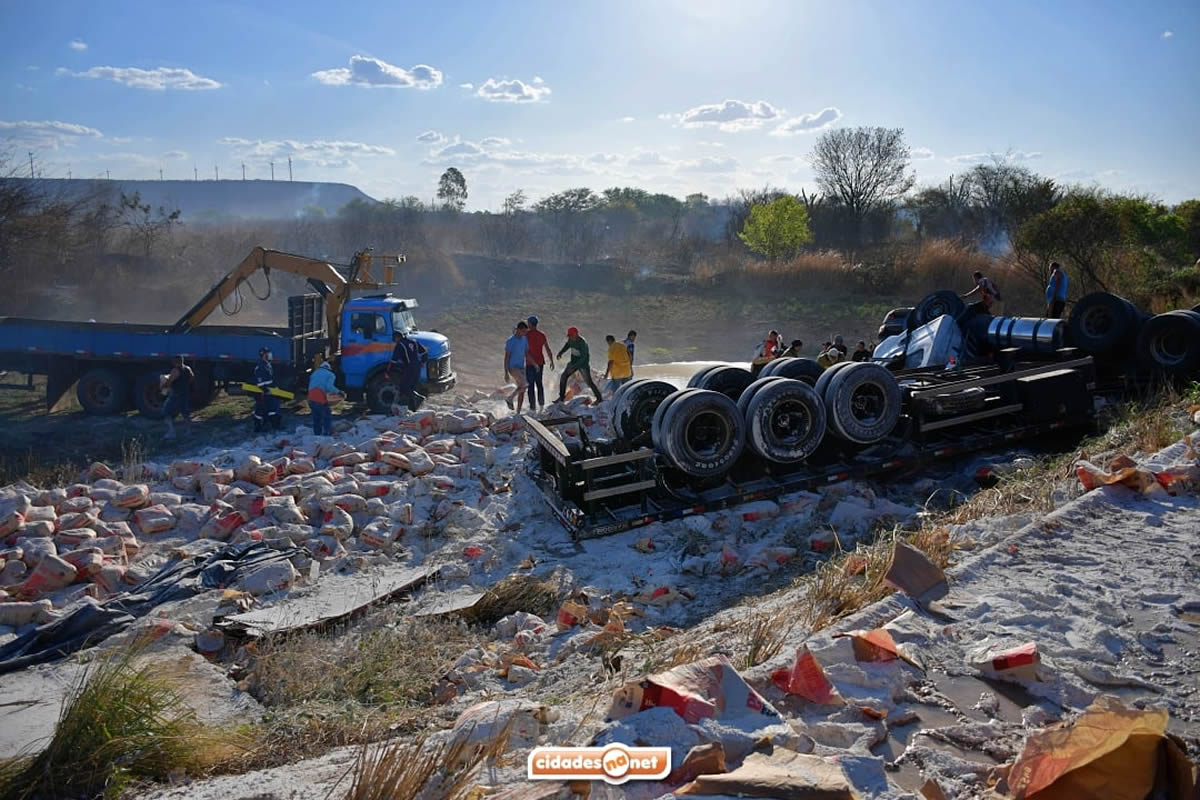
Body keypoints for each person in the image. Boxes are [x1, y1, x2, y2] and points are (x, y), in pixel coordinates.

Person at [556, 326, 603, 404]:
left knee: (589, 382)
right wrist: (561, 352)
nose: (570, 337)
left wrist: (575, 367)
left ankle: (599, 398)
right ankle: (561, 398)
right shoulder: (571, 339)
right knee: (563, 377)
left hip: (582, 365)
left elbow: (584, 357)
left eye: (571, 336)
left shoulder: (582, 343)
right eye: (569, 336)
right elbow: (567, 345)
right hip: (574, 362)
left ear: (576, 335)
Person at [387, 329, 428, 412]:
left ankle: (419, 398)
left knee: (404, 388)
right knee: (412, 387)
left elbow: (393, 360)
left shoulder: (400, 345)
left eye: (394, 339)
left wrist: (388, 372)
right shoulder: (414, 341)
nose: (394, 341)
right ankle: (413, 409)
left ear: (397, 338)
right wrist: (423, 362)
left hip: (409, 368)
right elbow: (424, 352)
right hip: (417, 367)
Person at [524, 315, 554, 411]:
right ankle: (541, 405)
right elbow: (548, 349)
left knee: (531, 385)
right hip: (540, 362)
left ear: (530, 324)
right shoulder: (542, 335)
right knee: (539, 383)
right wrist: (552, 361)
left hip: (530, 363)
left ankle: (532, 407)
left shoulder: (526, 335)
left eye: (528, 323)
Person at [162, 355, 194, 439]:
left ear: (175, 362)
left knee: (166, 411)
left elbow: (169, 382)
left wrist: (164, 385)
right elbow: (192, 377)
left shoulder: (175, 371)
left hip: (176, 394)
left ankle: (171, 431)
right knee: (185, 413)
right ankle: (189, 431)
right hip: (185, 393)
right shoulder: (188, 368)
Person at [307, 355, 339, 436]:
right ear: (329, 368)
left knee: (316, 418)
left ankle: (317, 434)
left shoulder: (314, 373)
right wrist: (339, 392)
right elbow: (329, 387)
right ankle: (326, 434)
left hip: (311, 398)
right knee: (326, 416)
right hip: (320, 398)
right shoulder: (330, 375)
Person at [252, 347, 281, 432]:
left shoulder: (267, 364)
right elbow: (260, 382)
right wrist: (265, 390)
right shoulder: (260, 366)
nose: (270, 355)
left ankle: (274, 425)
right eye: (268, 354)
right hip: (263, 393)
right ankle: (258, 427)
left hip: (270, 392)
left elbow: (271, 379)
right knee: (260, 410)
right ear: (264, 355)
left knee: (272, 409)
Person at [503, 321, 529, 412]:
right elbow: (506, 357)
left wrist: (534, 364)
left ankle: (518, 411)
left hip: (521, 367)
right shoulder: (510, 341)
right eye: (524, 331)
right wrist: (506, 372)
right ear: (519, 330)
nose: (525, 333)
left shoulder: (524, 339)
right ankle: (510, 398)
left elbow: (526, 354)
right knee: (524, 383)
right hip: (512, 367)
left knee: (522, 388)